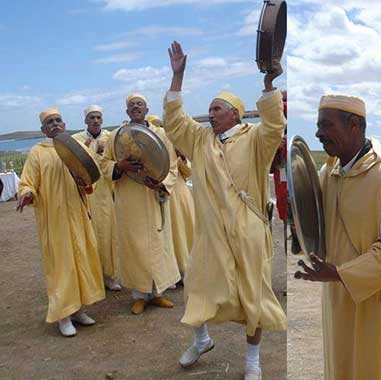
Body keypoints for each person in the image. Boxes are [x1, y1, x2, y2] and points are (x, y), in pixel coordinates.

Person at [164, 41, 287, 380]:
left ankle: (252, 362)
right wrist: (178, 77)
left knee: (254, 296)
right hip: (210, 233)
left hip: (248, 231)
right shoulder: (200, 140)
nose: (211, 114)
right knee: (199, 285)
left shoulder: (256, 139)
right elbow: (174, 123)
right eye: (210, 110)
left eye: (217, 109)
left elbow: (275, 126)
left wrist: (268, 85)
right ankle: (201, 340)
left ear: (235, 112)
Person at [294, 94, 381, 380]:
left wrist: (341, 273)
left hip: (377, 303)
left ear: (353, 125)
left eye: (326, 125)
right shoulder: (328, 171)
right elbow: (313, 221)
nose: (318, 133)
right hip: (337, 299)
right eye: (317, 125)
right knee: (340, 368)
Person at [17, 108, 105, 337]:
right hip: (54, 220)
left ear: (64, 125)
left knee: (81, 261)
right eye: (50, 122)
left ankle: (78, 310)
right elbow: (27, 181)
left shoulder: (77, 149)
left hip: (77, 216)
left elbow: (91, 183)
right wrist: (27, 193)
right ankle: (63, 315)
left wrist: (84, 183)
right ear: (43, 129)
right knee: (62, 266)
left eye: (58, 120)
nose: (55, 124)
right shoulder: (37, 152)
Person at [101, 93, 180, 315]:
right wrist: (121, 166)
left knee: (158, 243)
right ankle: (138, 295)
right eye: (131, 105)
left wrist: (162, 183)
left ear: (146, 109)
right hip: (130, 199)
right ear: (127, 112)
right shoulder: (116, 136)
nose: (135, 107)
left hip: (154, 196)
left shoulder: (161, 134)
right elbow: (104, 163)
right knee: (134, 246)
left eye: (140, 104)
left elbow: (171, 164)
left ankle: (157, 294)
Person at [72, 105, 121, 291]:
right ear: (85, 120)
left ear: (102, 120)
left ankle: (109, 275)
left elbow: (116, 159)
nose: (95, 120)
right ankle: (93, 277)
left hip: (107, 193)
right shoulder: (76, 140)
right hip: (86, 194)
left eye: (98, 117)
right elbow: (72, 160)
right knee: (89, 235)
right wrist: (89, 147)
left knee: (109, 234)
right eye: (91, 117)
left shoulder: (109, 137)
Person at [148, 114, 195, 280]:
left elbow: (188, 172)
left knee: (184, 231)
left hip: (179, 194)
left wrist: (181, 156)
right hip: (159, 194)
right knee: (167, 234)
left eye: (161, 126)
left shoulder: (174, 144)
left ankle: (186, 269)